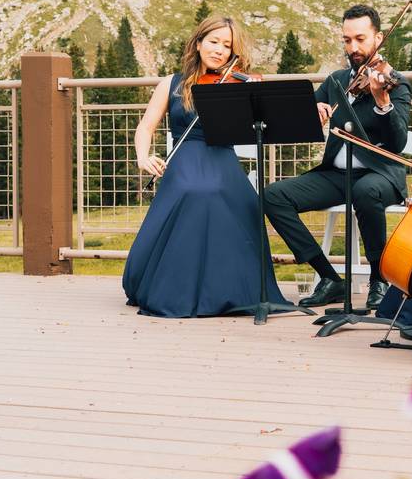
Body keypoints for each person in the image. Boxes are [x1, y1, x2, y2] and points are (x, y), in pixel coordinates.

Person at [123, 16, 292, 317]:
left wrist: (252, 97)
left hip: (221, 155)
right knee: (195, 190)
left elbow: (255, 129)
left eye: (227, 46)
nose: (220, 51)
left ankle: (228, 288)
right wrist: (143, 156)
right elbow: (145, 127)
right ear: (198, 43)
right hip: (185, 155)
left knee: (241, 201)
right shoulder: (172, 83)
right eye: (214, 42)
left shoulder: (236, 83)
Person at [263, 5, 412, 310]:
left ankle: (378, 280)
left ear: (378, 37)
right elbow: (299, 122)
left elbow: (397, 143)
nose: (353, 48)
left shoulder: (394, 82)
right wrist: (311, 114)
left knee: (364, 190)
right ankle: (330, 278)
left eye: (360, 39)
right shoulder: (336, 81)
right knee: (273, 196)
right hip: (336, 174)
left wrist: (383, 102)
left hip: (380, 175)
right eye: (347, 40)